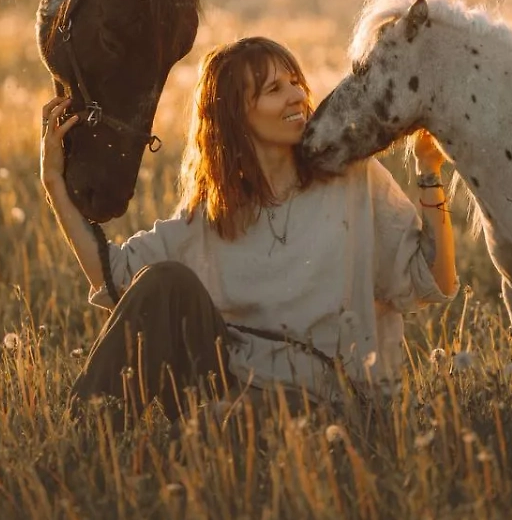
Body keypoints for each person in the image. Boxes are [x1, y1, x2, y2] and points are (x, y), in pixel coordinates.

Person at [41, 36, 457, 423]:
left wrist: (428, 170)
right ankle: (86, 431)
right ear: (235, 114)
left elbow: (435, 281)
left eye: (295, 82)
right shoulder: (215, 212)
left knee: (233, 417)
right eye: (274, 89)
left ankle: (214, 429)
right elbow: (114, 276)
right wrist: (54, 182)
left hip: (328, 394)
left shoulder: (352, 177)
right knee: (163, 281)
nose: (297, 96)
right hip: (233, 380)